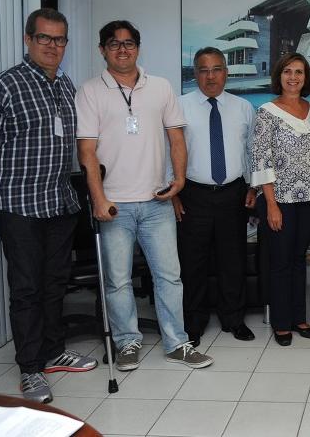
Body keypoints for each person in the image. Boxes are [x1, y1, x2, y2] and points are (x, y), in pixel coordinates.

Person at [0, 8, 97, 403]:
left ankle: (53, 352)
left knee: (55, 285)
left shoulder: (65, 85)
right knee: (26, 289)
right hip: (19, 208)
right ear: (28, 39)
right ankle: (30, 368)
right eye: (44, 38)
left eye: (59, 39)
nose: (52, 46)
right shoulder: (4, 85)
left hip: (59, 204)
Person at [76, 20, 213, 371]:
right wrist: (98, 199)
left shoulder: (161, 87)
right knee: (118, 280)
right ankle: (127, 342)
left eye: (129, 43)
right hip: (114, 205)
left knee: (169, 277)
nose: (122, 49)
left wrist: (179, 180)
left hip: (156, 202)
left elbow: (176, 139)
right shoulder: (90, 91)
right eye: (114, 43)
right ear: (102, 50)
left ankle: (177, 343)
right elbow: (86, 151)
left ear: (138, 47)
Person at [172, 47, 257, 346]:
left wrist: (252, 186)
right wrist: (173, 195)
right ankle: (193, 322)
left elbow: (251, 151)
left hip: (233, 193)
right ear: (195, 73)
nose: (211, 76)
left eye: (217, 69)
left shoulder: (243, 107)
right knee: (192, 262)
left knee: (232, 259)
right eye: (204, 70)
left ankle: (233, 318)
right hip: (192, 194)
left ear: (226, 73)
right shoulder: (178, 106)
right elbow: (168, 152)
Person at [251, 52, 310, 347]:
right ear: (279, 76)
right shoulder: (266, 112)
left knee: (298, 259)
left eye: (299, 72)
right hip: (278, 199)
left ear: (306, 78)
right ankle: (281, 323)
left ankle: (298, 318)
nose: (293, 77)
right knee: (280, 261)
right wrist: (271, 205)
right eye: (288, 72)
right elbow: (260, 159)